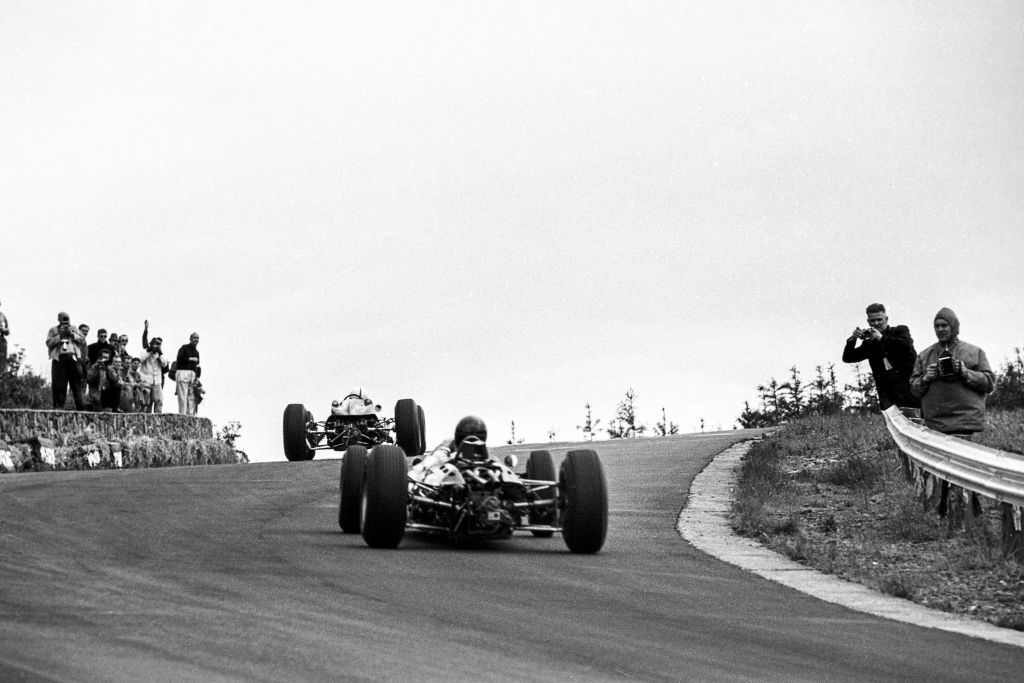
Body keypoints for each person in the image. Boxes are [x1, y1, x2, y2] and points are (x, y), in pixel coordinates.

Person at [910, 308, 994, 436]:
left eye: (944, 325)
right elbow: (914, 390)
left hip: (965, 422)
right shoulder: (924, 356)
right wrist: (926, 378)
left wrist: (965, 372)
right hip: (936, 424)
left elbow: (989, 384)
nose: (940, 330)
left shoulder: (975, 352)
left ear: (953, 326)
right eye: (937, 326)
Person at [842, 303, 919, 410]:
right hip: (887, 395)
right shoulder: (869, 344)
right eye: (872, 321)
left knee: (916, 423)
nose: (876, 323)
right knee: (892, 426)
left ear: (886, 319)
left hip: (909, 389)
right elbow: (848, 357)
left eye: (879, 320)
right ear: (868, 322)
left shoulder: (900, 331)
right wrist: (853, 339)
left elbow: (905, 346)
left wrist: (881, 338)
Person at [411, 415, 489, 478]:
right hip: (448, 473)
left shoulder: (483, 451)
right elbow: (438, 456)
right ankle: (416, 473)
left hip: (473, 475)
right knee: (437, 457)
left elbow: (492, 462)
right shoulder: (449, 443)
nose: (472, 439)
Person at [45, 311, 86, 410]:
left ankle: (80, 408)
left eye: (67, 319)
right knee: (59, 385)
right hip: (59, 358)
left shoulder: (74, 329)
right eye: (63, 319)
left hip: (73, 358)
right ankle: (58, 408)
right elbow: (48, 343)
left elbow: (82, 340)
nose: (66, 321)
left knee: (76, 385)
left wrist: (72, 335)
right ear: (58, 319)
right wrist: (60, 336)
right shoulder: (53, 330)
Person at [139, 326, 169, 413]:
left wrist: (160, 353)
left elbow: (164, 364)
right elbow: (140, 359)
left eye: (158, 345)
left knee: (159, 401)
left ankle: (157, 420)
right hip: (146, 381)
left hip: (157, 381)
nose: (156, 347)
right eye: (155, 345)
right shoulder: (145, 352)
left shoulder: (160, 355)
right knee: (146, 403)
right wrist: (149, 350)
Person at [175, 331, 201, 415]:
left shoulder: (197, 352)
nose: (196, 339)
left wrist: (197, 378)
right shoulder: (184, 348)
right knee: (183, 395)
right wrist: (190, 359)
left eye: (197, 338)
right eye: (194, 338)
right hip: (183, 372)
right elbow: (179, 359)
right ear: (190, 339)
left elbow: (198, 366)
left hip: (192, 374)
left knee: (192, 396)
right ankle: (182, 414)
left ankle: (191, 415)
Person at [0, 299, 10, 372]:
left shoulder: (2, 316)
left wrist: (4, 330)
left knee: (2, 362)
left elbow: (7, 331)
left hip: (1, 340)